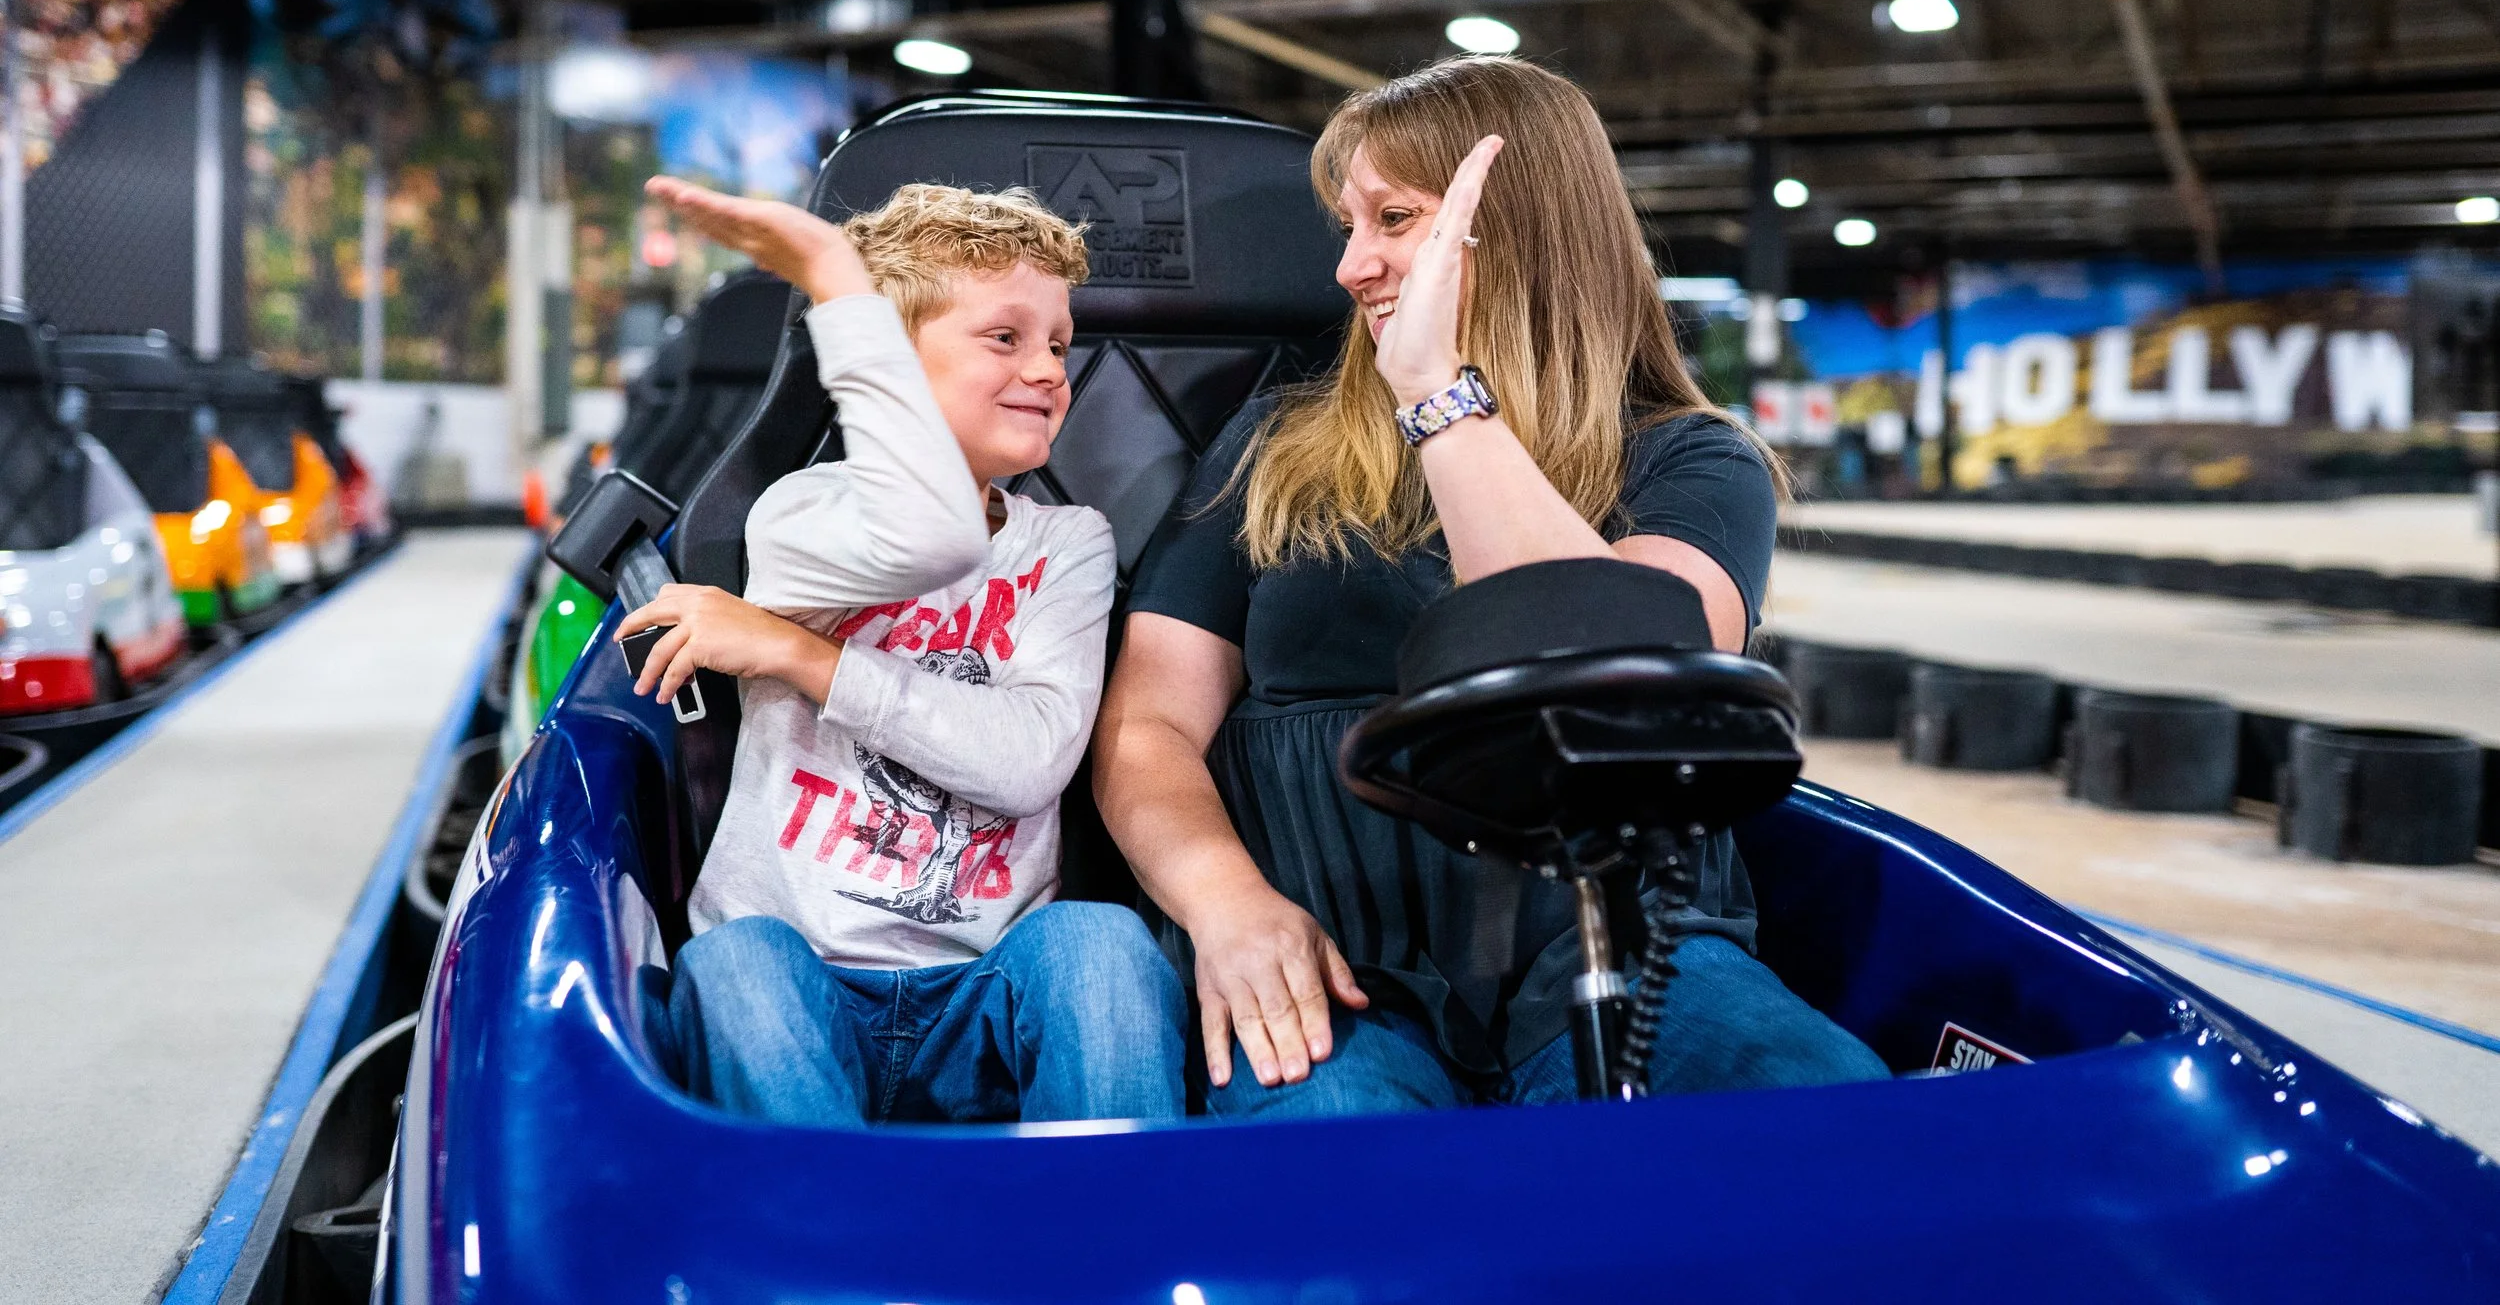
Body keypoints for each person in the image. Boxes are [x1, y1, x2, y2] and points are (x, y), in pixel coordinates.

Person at [1091, 56, 1888, 1116]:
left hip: (1619, 946)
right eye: (1347, 227)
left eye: (1392, 220)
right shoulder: (1279, 443)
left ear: (1506, 228)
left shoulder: (1689, 462)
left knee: (1824, 1104)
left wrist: (1437, 395)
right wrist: (1226, 905)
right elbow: (1146, 723)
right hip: (1327, 957)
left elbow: (1615, 691)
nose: (1350, 267)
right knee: (1344, 1168)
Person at [619, 176, 1184, 1127]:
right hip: (801, 980)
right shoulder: (799, 515)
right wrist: (840, 287)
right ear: (889, 360)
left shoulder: (1068, 542)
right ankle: (829, 1263)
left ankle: (1113, 1246)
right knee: (730, 961)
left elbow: (1026, 759)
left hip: (983, 989)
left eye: (1058, 343)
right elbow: (936, 536)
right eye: (1006, 338)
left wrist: (807, 660)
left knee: (1100, 944)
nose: (1050, 370)